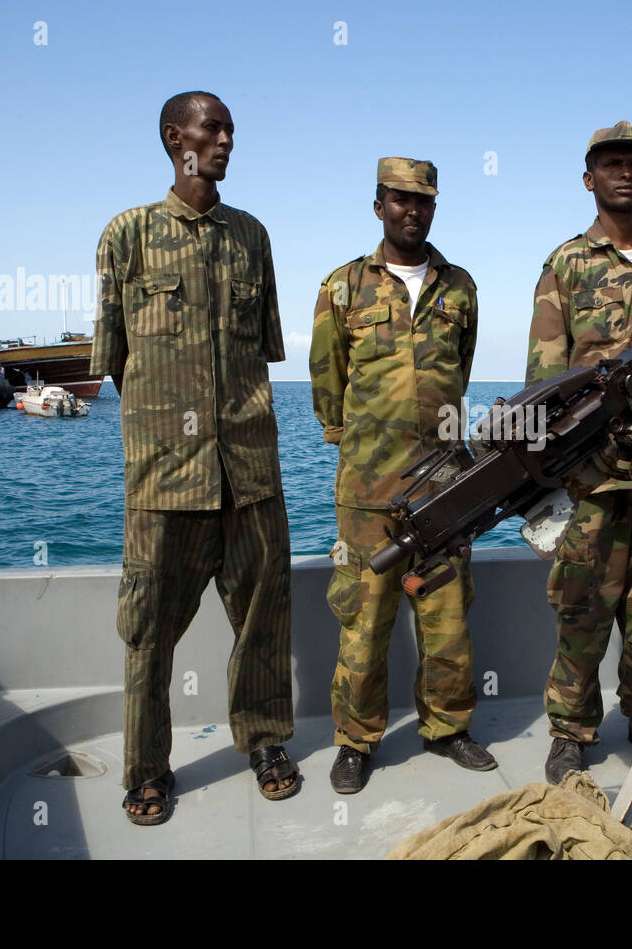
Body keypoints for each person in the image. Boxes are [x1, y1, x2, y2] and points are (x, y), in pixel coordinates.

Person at [91, 90, 298, 825]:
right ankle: (147, 769)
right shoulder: (128, 236)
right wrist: (165, 433)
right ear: (174, 138)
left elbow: (263, 354)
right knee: (147, 630)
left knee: (264, 617)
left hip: (249, 467)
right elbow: (114, 360)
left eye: (232, 129)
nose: (226, 141)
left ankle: (266, 741)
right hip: (163, 476)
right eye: (213, 128)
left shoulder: (252, 237)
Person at [524, 121, 632, 784]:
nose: (625, 172)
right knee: (583, 604)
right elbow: (542, 378)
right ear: (589, 179)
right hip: (592, 474)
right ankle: (571, 730)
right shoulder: (567, 263)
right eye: (611, 163)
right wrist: (559, 464)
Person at [310, 157, 496, 794]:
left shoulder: (460, 288)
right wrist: (358, 447)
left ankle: (448, 728)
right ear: (378, 204)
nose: (411, 211)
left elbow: (460, 375)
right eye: (399, 200)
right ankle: (356, 741)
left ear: (434, 208)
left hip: (447, 484)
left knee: (447, 620)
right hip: (367, 491)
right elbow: (327, 382)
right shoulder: (342, 286)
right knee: (364, 623)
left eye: (423, 202)